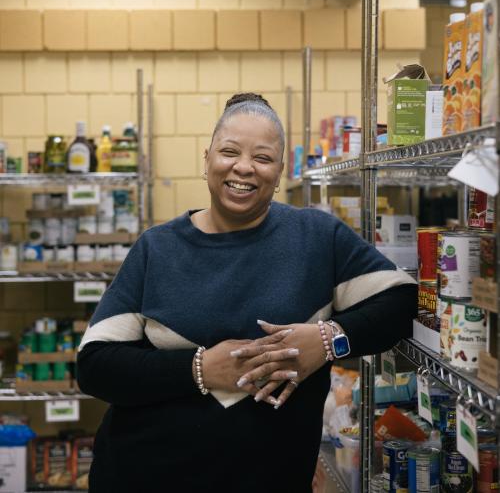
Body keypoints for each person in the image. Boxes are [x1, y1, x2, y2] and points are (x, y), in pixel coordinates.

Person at [77, 93, 417, 493]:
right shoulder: (158, 248)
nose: (243, 167)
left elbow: (401, 302)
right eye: (229, 151)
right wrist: (201, 369)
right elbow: (95, 365)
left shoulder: (317, 238)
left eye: (262, 157)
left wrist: (328, 341)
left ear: (280, 170)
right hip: (144, 475)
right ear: (206, 159)